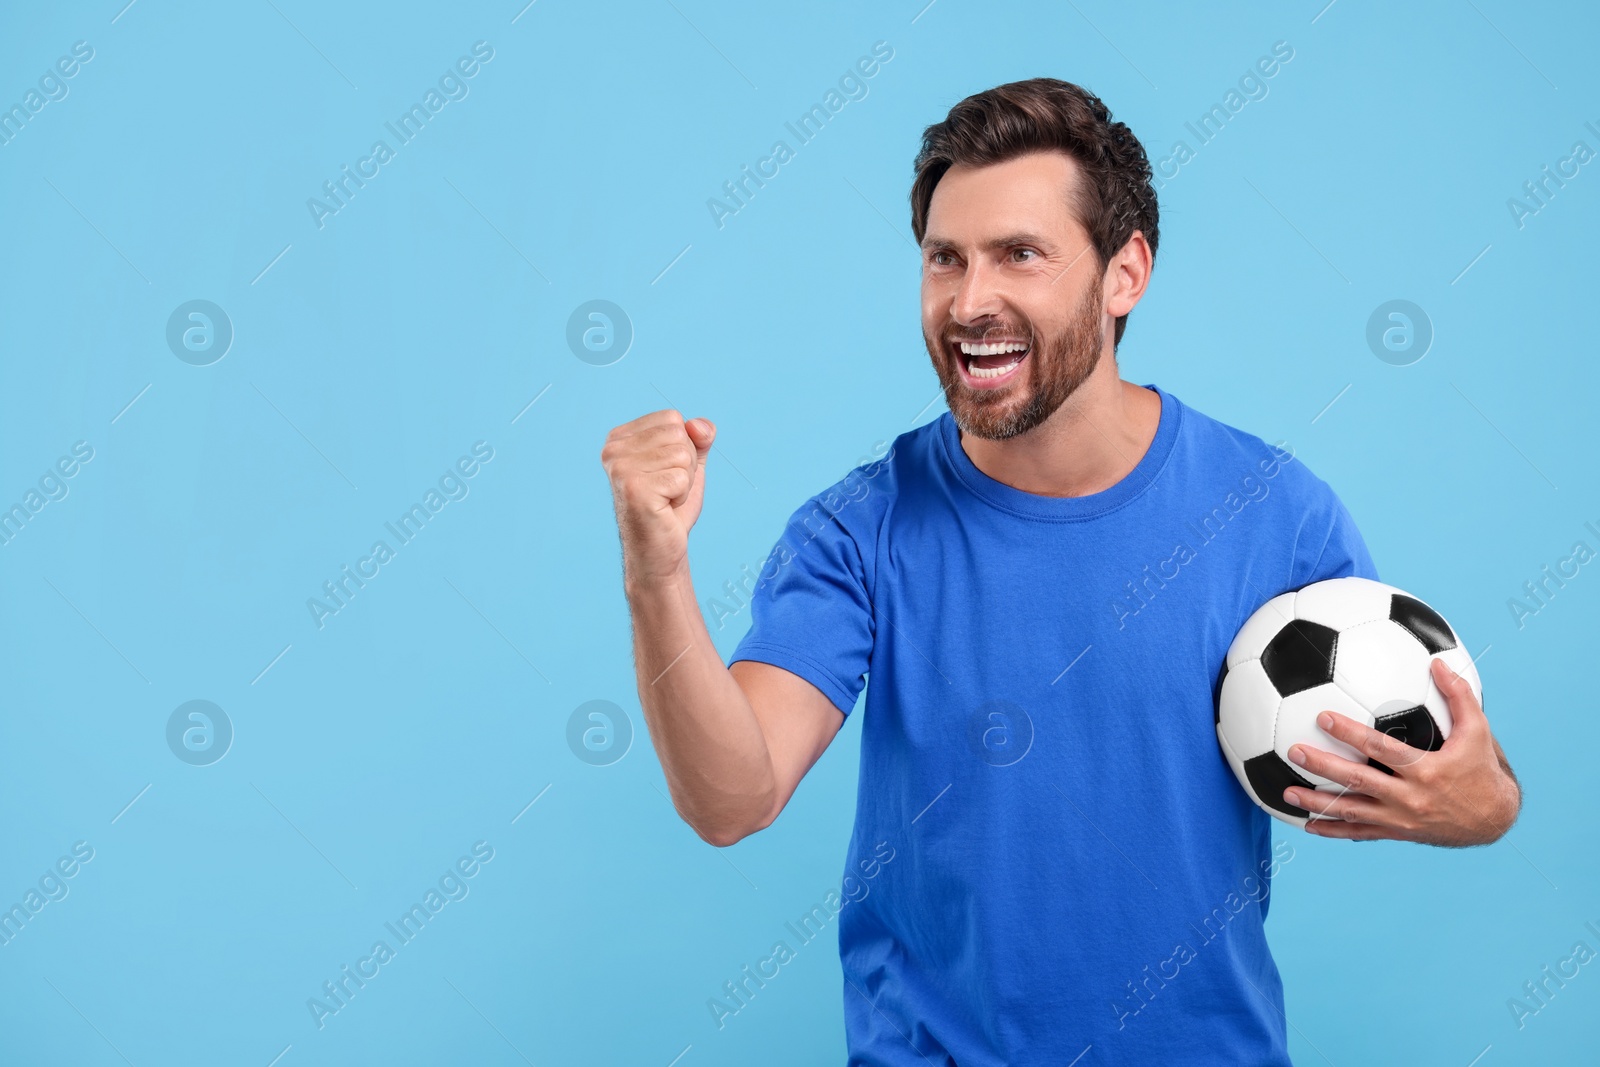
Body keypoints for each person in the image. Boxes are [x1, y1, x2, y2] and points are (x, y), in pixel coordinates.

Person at [600, 77, 1521, 1065]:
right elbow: (731, 797)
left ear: (1123, 274)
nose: (968, 301)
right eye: (943, 258)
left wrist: (1475, 804)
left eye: (1019, 255)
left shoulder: (1270, 509)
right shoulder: (859, 528)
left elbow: (1466, 776)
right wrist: (656, 573)